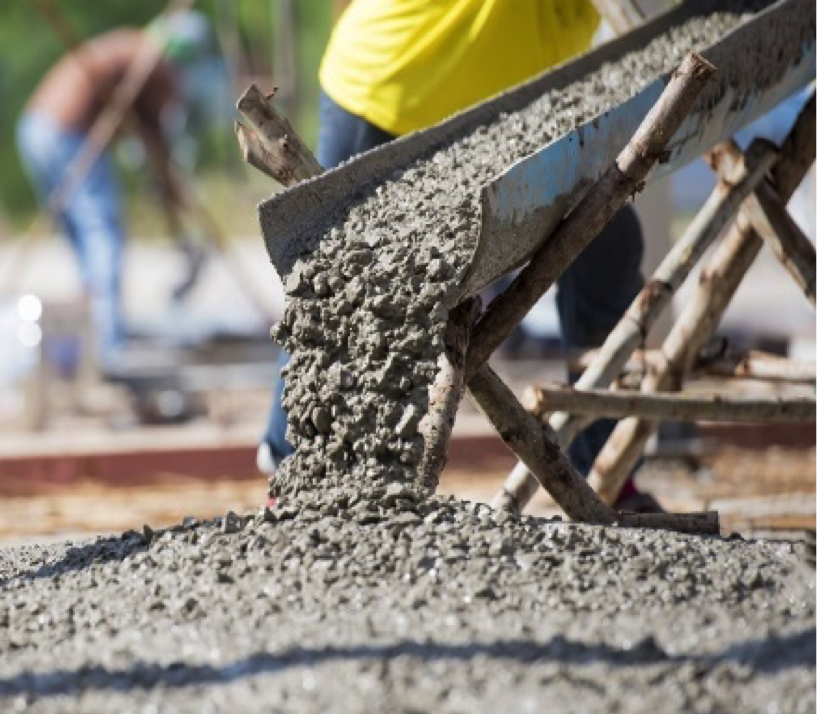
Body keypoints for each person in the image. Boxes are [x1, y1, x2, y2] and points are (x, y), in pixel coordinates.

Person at [258, 0, 660, 512]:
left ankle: (609, 469)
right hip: (395, 89)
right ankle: (295, 478)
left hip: (518, 107)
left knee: (608, 241)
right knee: (340, 288)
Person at [16, 11, 221, 374]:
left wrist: (168, 193)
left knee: (85, 243)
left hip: (35, 129)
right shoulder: (154, 65)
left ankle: (94, 334)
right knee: (103, 233)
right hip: (67, 132)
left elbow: (148, 142)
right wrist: (177, 206)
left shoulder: (132, 50)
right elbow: (158, 143)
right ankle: (109, 346)